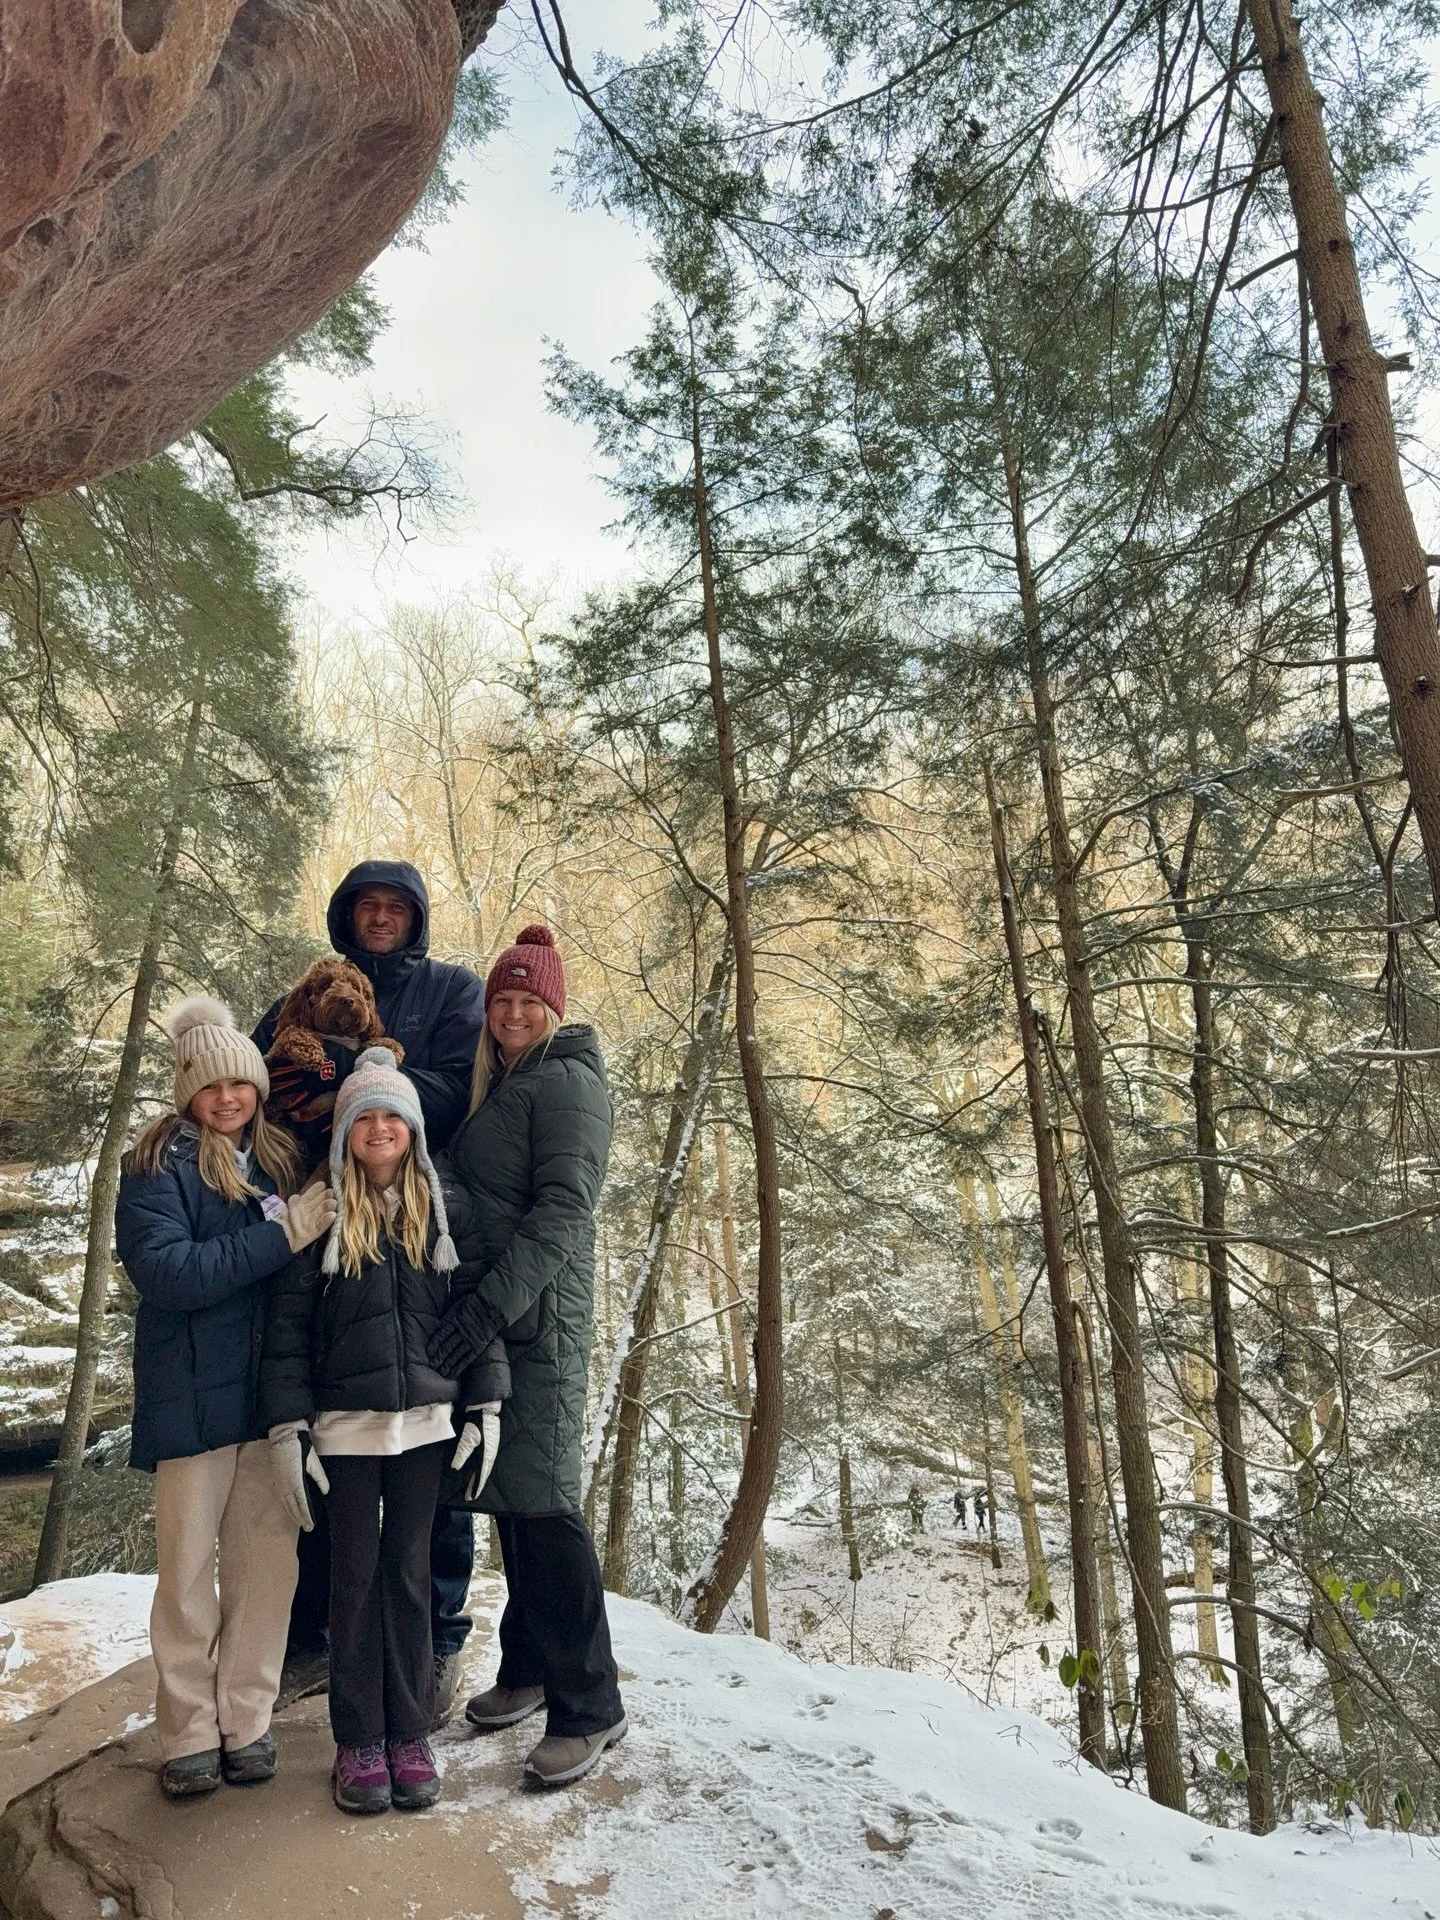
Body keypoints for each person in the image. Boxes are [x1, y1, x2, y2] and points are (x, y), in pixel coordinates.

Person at [254, 860, 486, 1720]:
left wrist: (358, 1069)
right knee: (333, 1428)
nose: (381, 918)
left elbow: (458, 1086)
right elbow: (261, 1072)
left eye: (396, 907)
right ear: (346, 917)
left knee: (430, 1430)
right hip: (329, 1213)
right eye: (367, 907)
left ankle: (436, 1642)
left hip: (420, 1210)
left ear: (415, 918)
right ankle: (317, 1634)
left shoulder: (452, 991)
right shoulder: (301, 991)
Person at [259, 1048, 509, 1815]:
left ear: (412, 1129)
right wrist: (287, 1428)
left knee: (408, 1576)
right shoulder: (323, 1211)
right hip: (344, 1428)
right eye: (363, 1117)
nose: (378, 1129)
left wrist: (486, 1404)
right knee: (353, 1578)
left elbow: (477, 1313)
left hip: (427, 1426)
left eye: (391, 1117)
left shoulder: (444, 1208)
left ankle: (408, 1733)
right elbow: (289, 1330)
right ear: (344, 1133)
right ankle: (358, 1737)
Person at [115, 998, 336, 1800]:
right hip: (188, 1402)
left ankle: (246, 1720)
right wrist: (282, 1236)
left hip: (267, 1403)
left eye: (240, 1083)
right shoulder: (155, 1165)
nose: (229, 1099)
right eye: (211, 1087)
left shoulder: (276, 1160)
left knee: (266, 1570)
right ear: (187, 1093)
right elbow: (171, 1275)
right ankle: (186, 1733)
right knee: (185, 1576)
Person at [428, 924, 627, 1788]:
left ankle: (592, 1704)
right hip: (508, 1315)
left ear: (553, 1009)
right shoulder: (513, 1079)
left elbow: (561, 1216)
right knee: (512, 1498)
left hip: (535, 1320)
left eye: (527, 1002)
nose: (511, 1013)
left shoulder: (568, 1084)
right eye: (501, 1001)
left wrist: (487, 1309)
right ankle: (531, 1669)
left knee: (544, 1507)